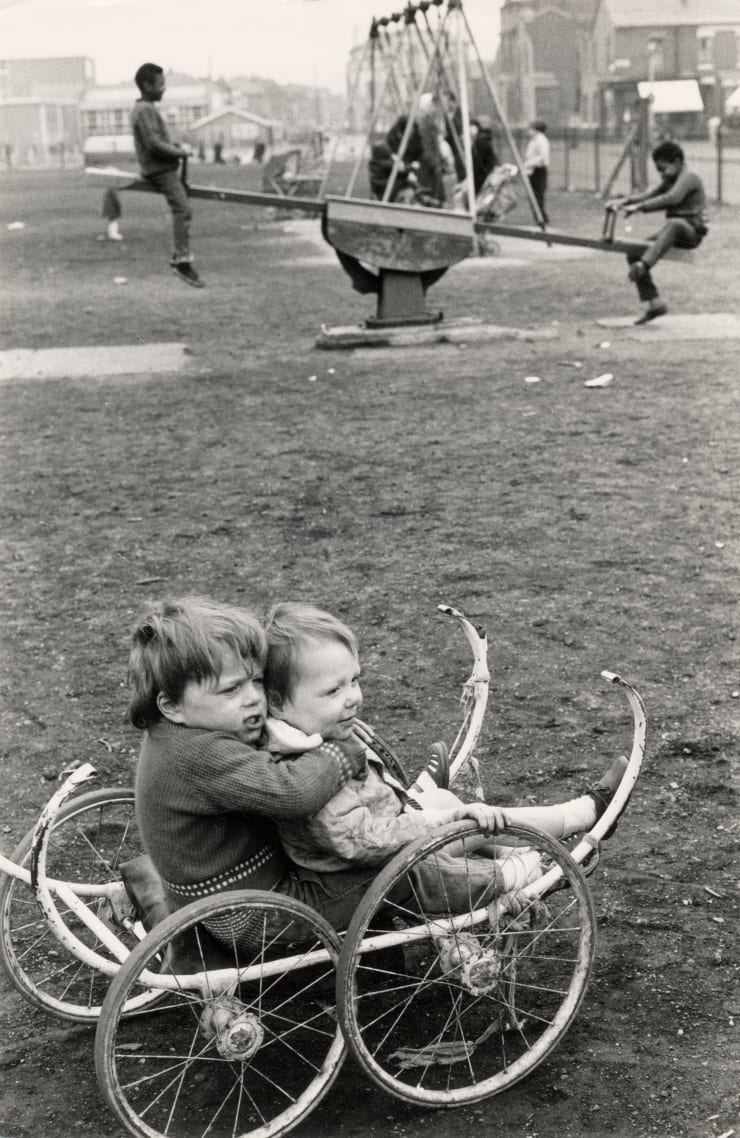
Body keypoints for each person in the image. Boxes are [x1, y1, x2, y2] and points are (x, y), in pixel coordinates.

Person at [127, 595, 499, 946]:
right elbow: (294, 793)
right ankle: (512, 874)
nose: (254, 698)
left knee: (416, 817)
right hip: (258, 915)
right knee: (404, 872)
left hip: (227, 897)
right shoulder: (198, 754)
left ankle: (475, 830)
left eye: (255, 681)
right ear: (171, 705)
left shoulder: (175, 734)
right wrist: (342, 751)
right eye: (230, 690)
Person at [262, 602, 629, 910]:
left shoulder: (315, 733)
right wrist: (442, 821)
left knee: (443, 801)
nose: (353, 697)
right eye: (333, 690)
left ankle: (532, 848)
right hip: (370, 868)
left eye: (354, 680)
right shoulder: (305, 772)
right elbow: (361, 840)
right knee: (461, 827)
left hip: (381, 841)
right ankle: (556, 844)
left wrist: (427, 811)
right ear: (277, 703)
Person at [608, 141, 708, 325]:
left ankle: (643, 266)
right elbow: (649, 194)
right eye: (658, 171)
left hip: (691, 232)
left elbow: (672, 198)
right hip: (672, 232)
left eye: (663, 169)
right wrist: (624, 202)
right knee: (634, 250)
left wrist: (640, 207)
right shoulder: (670, 180)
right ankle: (655, 303)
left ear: (677, 162)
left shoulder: (689, 177)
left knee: (674, 223)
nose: (662, 174)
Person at [130, 62, 203, 288]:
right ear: (147, 85)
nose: (164, 89)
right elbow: (153, 144)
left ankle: (181, 257)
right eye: (160, 84)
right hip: (159, 170)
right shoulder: (144, 109)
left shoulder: (146, 108)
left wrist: (176, 147)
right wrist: (181, 152)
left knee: (183, 207)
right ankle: (182, 261)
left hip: (161, 168)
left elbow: (157, 140)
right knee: (183, 209)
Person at [524, 119, 550, 224]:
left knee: (538, 195)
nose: (529, 131)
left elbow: (543, 157)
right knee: (533, 195)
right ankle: (539, 217)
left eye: (531, 129)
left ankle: (541, 217)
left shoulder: (541, 140)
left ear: (536, 129)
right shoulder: (534, 140)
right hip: (532, 170)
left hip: (538, 170)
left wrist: (529, 163)